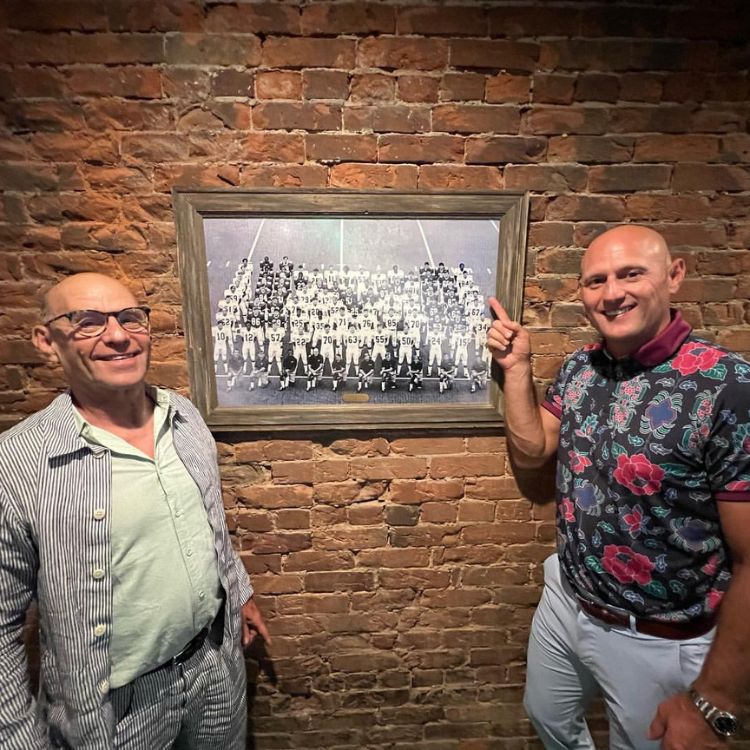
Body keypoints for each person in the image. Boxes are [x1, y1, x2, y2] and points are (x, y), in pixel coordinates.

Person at [487, 225, 750, 750]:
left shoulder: (730, 388)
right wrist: (518, 368)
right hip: (568, 599)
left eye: (632, 274)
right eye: (596, 280)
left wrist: (714, 700)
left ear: (674, 277)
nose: (612, 293)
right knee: (547, 717)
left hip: (655, 634)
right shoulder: (581, 369)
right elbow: (535, 448)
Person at [0, 273, 271, 749]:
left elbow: (210, 525)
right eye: (87, 322)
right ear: (47, 340)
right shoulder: (19, 462)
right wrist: (19, 738)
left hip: (214, 667)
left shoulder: (184, 417)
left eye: (130, 318)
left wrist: (240, 592)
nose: (119, 335)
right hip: (118, 710)